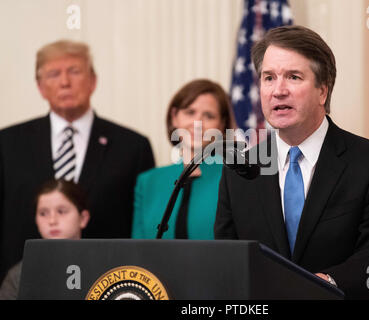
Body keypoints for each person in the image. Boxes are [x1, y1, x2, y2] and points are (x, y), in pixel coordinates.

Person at [214, 25, 369, 299]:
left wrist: (328, 283)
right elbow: (227, 258)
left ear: (323, 91)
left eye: (293, 77)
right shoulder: (240, 169)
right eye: (269, 78)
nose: (278, 90)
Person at [0, 40, 155, 283]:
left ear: (93, 81)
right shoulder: (6, 144)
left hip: (109, 284)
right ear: (40, 87)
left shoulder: (133, 147)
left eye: (74, 71)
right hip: (25, 284)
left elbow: (144, 229)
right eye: (53, 74)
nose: (64, 82)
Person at [132, 79, 236, 239]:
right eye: (190, 112)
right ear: (174, 117)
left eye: (208, 115)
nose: (198, 123)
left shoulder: (233, 180)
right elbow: (136, 252)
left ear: (221, 125)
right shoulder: (148, 182)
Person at [0, 179, 90, 300]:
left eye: (61, 211)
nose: (52, 221)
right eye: (43, 213)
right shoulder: (19, 275)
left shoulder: (105, 265)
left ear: (83, 218)